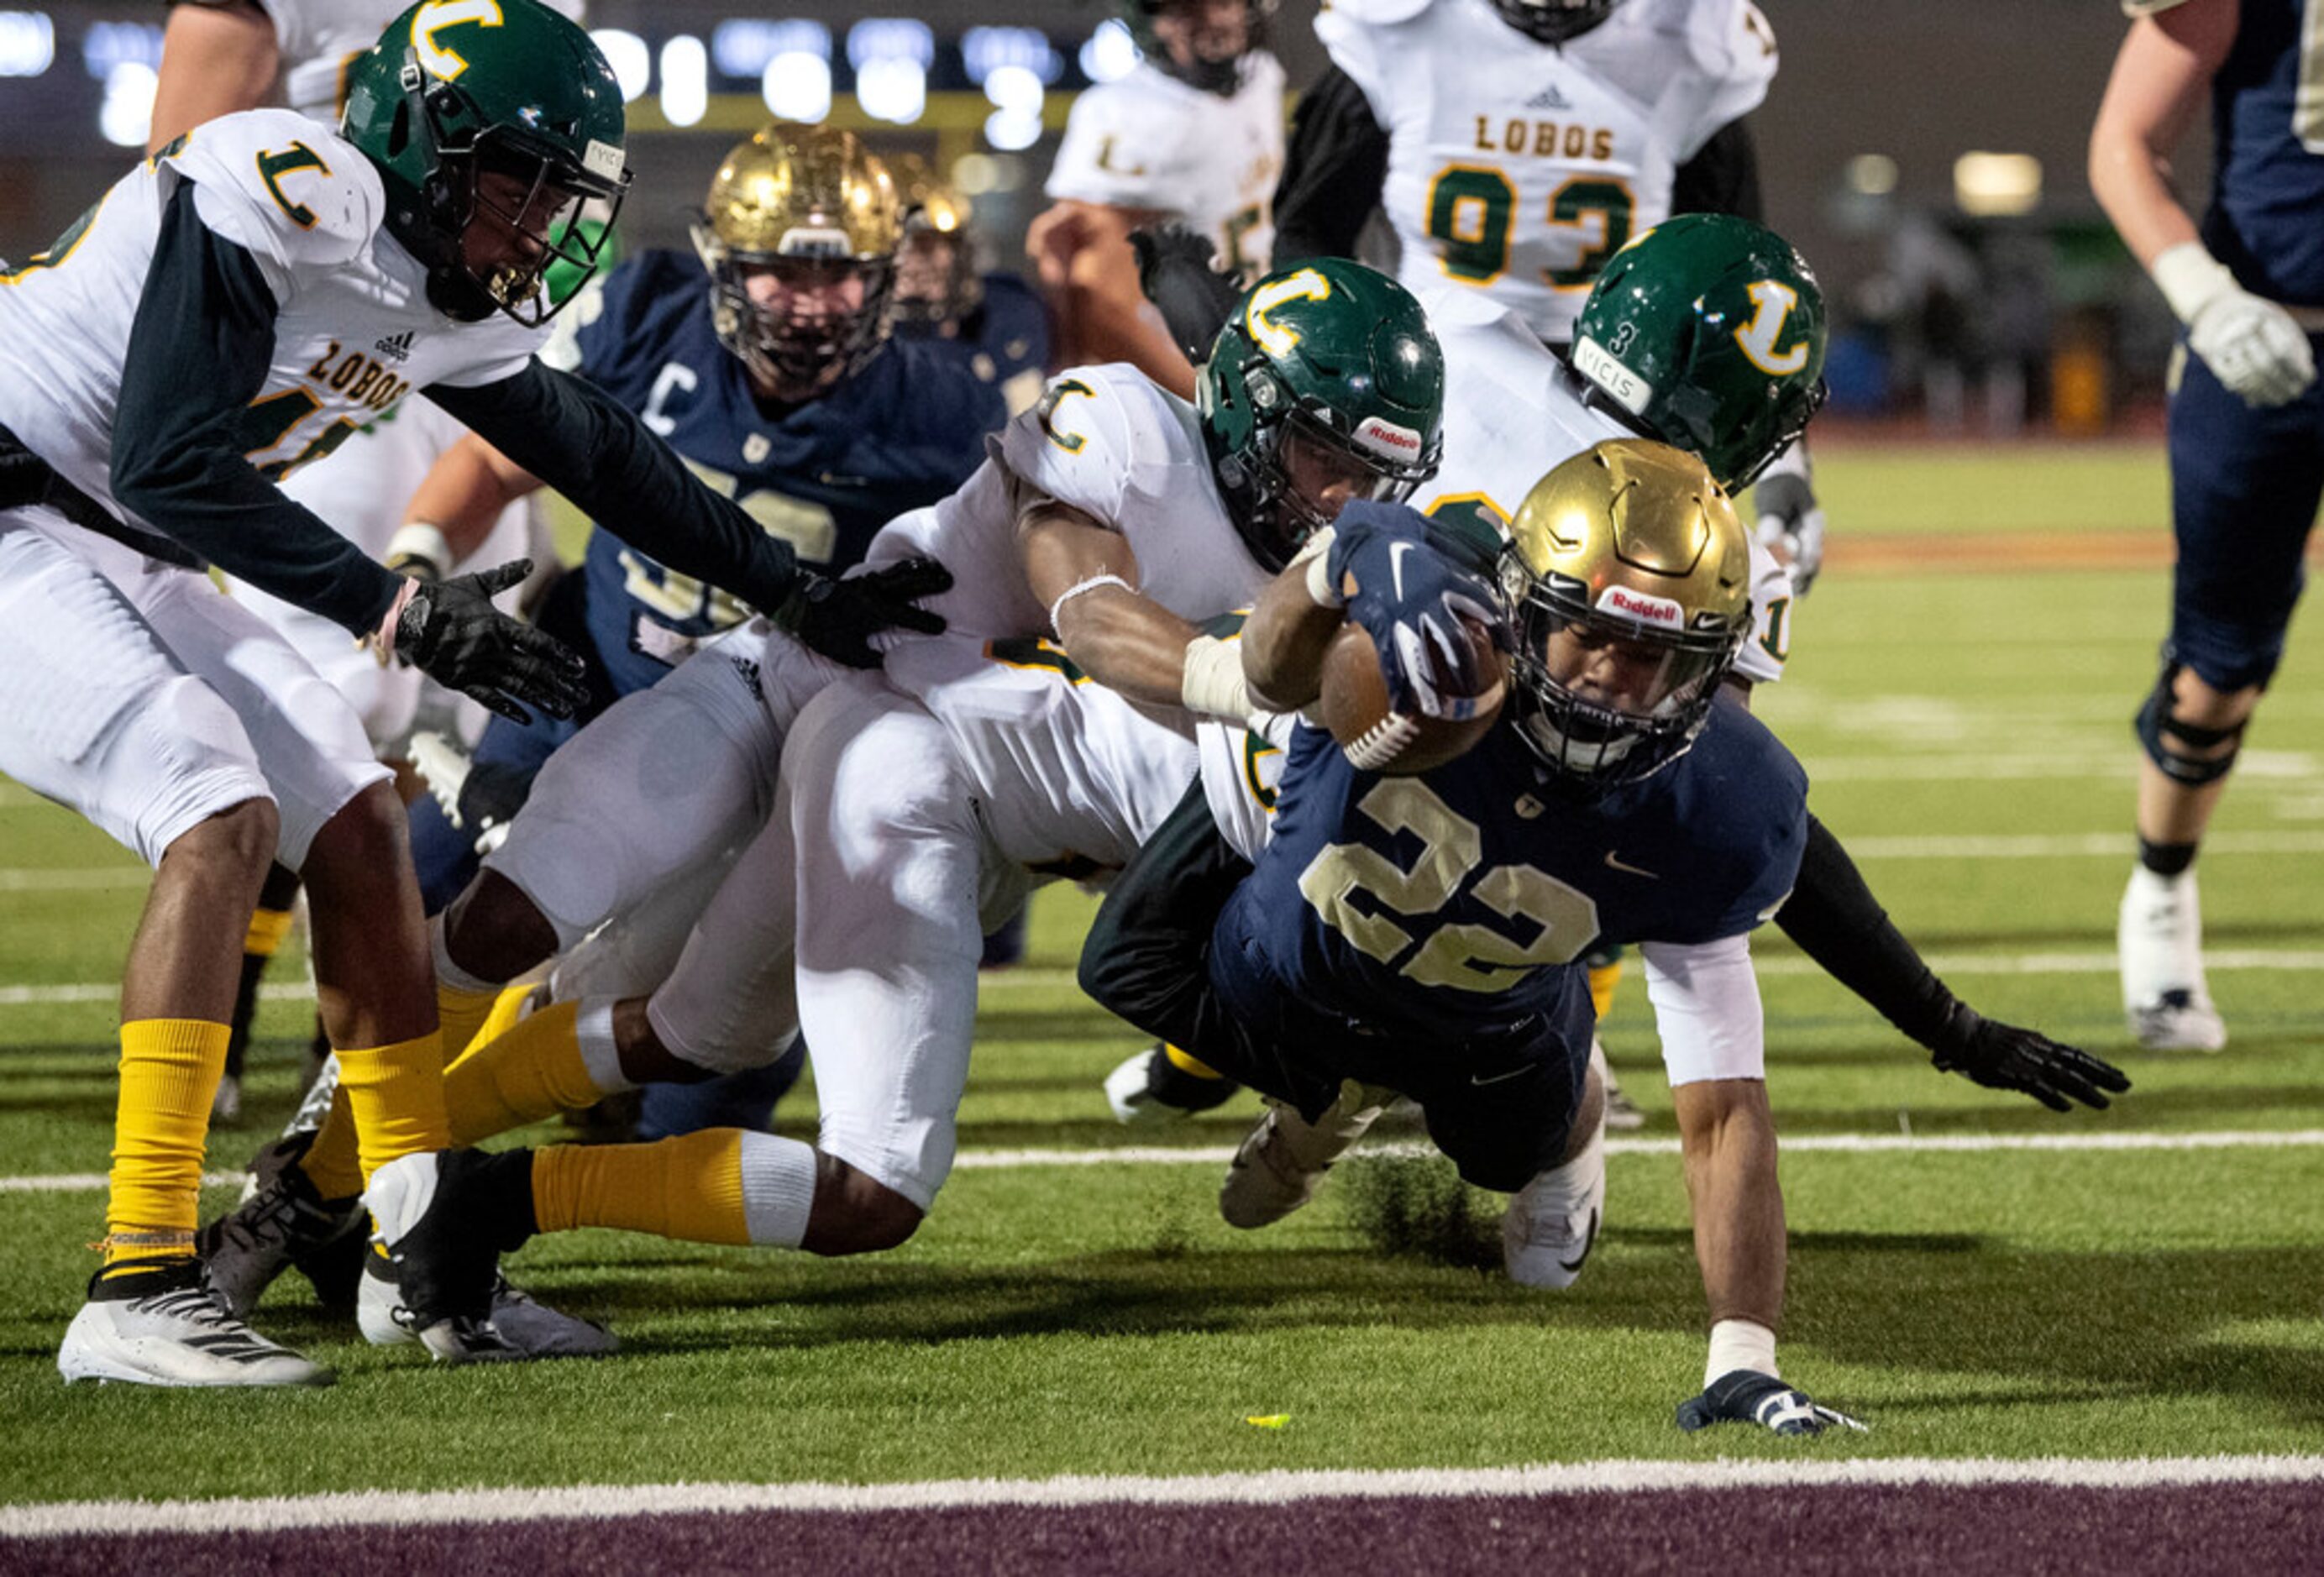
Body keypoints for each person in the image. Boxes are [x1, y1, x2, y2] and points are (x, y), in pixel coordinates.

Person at [191, 262, 1447, 1316]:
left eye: (1371, 473)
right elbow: (1090, 608)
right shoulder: (1125, 423)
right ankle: (318, 1181)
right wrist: (1252, 679)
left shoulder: (1335, 594)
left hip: (920, 772)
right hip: (794, 685)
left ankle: (394, 1194)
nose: (1342, 499)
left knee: (688, 1034)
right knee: (521, 913)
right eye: (1317, 454)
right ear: (1239, 404)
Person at [0, 0, 939, 1386]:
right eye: (519, 182)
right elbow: (164, 460)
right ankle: (140, 1279)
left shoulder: (438, 288)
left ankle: (409, 1248)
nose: (538, 225)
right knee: (214, 797)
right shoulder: (281, 186)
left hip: (107, 530)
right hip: (28, 493)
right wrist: (396, 605)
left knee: (355, 811)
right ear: (419, 141)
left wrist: (791, 588)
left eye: (561, 194)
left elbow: (599, 454)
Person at [205, 122, 999, 1330]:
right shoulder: (647, 317)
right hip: (598, 696)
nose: (809, 299)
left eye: (838, 271)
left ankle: (429, 1199)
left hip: (786, 767)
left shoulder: (945, 413)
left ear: (887, 280)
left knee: (684, 1088)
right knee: (428, 912)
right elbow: (498, 457)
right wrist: (419, 559)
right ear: (723, 269)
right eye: (782, 268)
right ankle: (320, 1179)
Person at [1107, 213, 2131, 1128]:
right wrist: (1944, 1022)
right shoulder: (1719, 550)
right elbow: (1707, 791)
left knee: (1144, 952)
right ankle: (1483, 1101)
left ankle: (1277, 1073)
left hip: (1298, 730)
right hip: (1477, 830)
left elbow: (1300, 360)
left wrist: (1191, 291)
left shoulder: (1463, 339)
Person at [1091, 440, 1866, 1434]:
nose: (1611, 682)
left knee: (1503, 1155)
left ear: (1709, 668)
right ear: (1521, 605)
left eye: (1653, 656)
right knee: (1121, 964)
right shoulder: (1418, 641)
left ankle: (1562, 1115)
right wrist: (1337, 564)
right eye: (1587, 634)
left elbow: (1723, 1109)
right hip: (1308, 919)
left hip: (1491, 1009)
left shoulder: (1725, 807)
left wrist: (1744, 1355)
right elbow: (1284, 642)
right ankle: (1329, 1094)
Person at [145, 0, 588, 1125]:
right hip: (330, 338)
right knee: (331, 711)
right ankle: (240, 1015)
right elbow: (175, 180)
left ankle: (338, 1058)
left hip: (476, 328)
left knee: (430, 718)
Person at [1264, 0, 1825, 589]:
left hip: (1612, 400)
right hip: (1426, 379)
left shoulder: (1691, 47)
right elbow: (1306, 235)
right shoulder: (1403, 30)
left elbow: (1738, 291)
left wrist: (1785, 471)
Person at [2090, 0, 2322, 1051]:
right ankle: (2161, 897)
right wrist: (2206, 298)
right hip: (2267, 337)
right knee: (2221, 657)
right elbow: (2124, 141)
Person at [1028, 0, 1285, 396]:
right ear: (1149, 21)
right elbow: (1087, 275)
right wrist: (1202, 391)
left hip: (1265, 324)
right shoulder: (1124, 113)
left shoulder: (1264, 78)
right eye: (1187, 9)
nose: (1213, 20)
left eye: (1224, 1)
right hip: (1191, 349)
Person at [886, 152, 1049, 418]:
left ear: (958, 251)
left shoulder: (1003, 315)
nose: (911, 262)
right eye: (894, 246)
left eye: (926, 245)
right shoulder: (842, 330)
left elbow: (1028, 427)